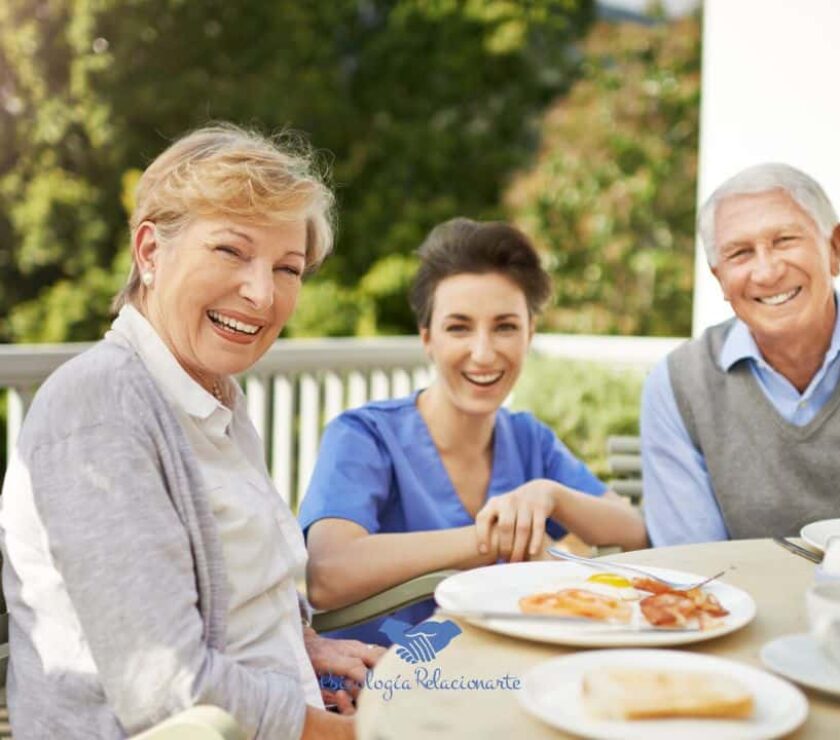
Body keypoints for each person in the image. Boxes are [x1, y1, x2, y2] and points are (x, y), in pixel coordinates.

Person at [0, 124, 384, 739]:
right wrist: (362, 735)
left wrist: (305, 646)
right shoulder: (99, 410)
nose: (262, 294)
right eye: (231, 251)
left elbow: (238, 607)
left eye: (287, 268)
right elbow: (165, 688)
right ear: (150, 253)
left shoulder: (209, 397)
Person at [299, 218, 648, 646]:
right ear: (428, 338)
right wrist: (490, 540)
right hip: (375, 688)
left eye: (505, 327)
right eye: (458, 327)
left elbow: (633, 531)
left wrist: (553, 495)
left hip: (500, 674)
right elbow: (327, 574)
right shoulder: (363, 435)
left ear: (529, 335)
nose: (483, 354)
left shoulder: (529, 440)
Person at [641, 163, 840, 545]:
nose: (766, 272)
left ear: (834, 250)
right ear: (719, 279)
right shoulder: (679, 385)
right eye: (740, 253)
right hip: (745, 603)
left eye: (784, 240)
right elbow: (697, 564)